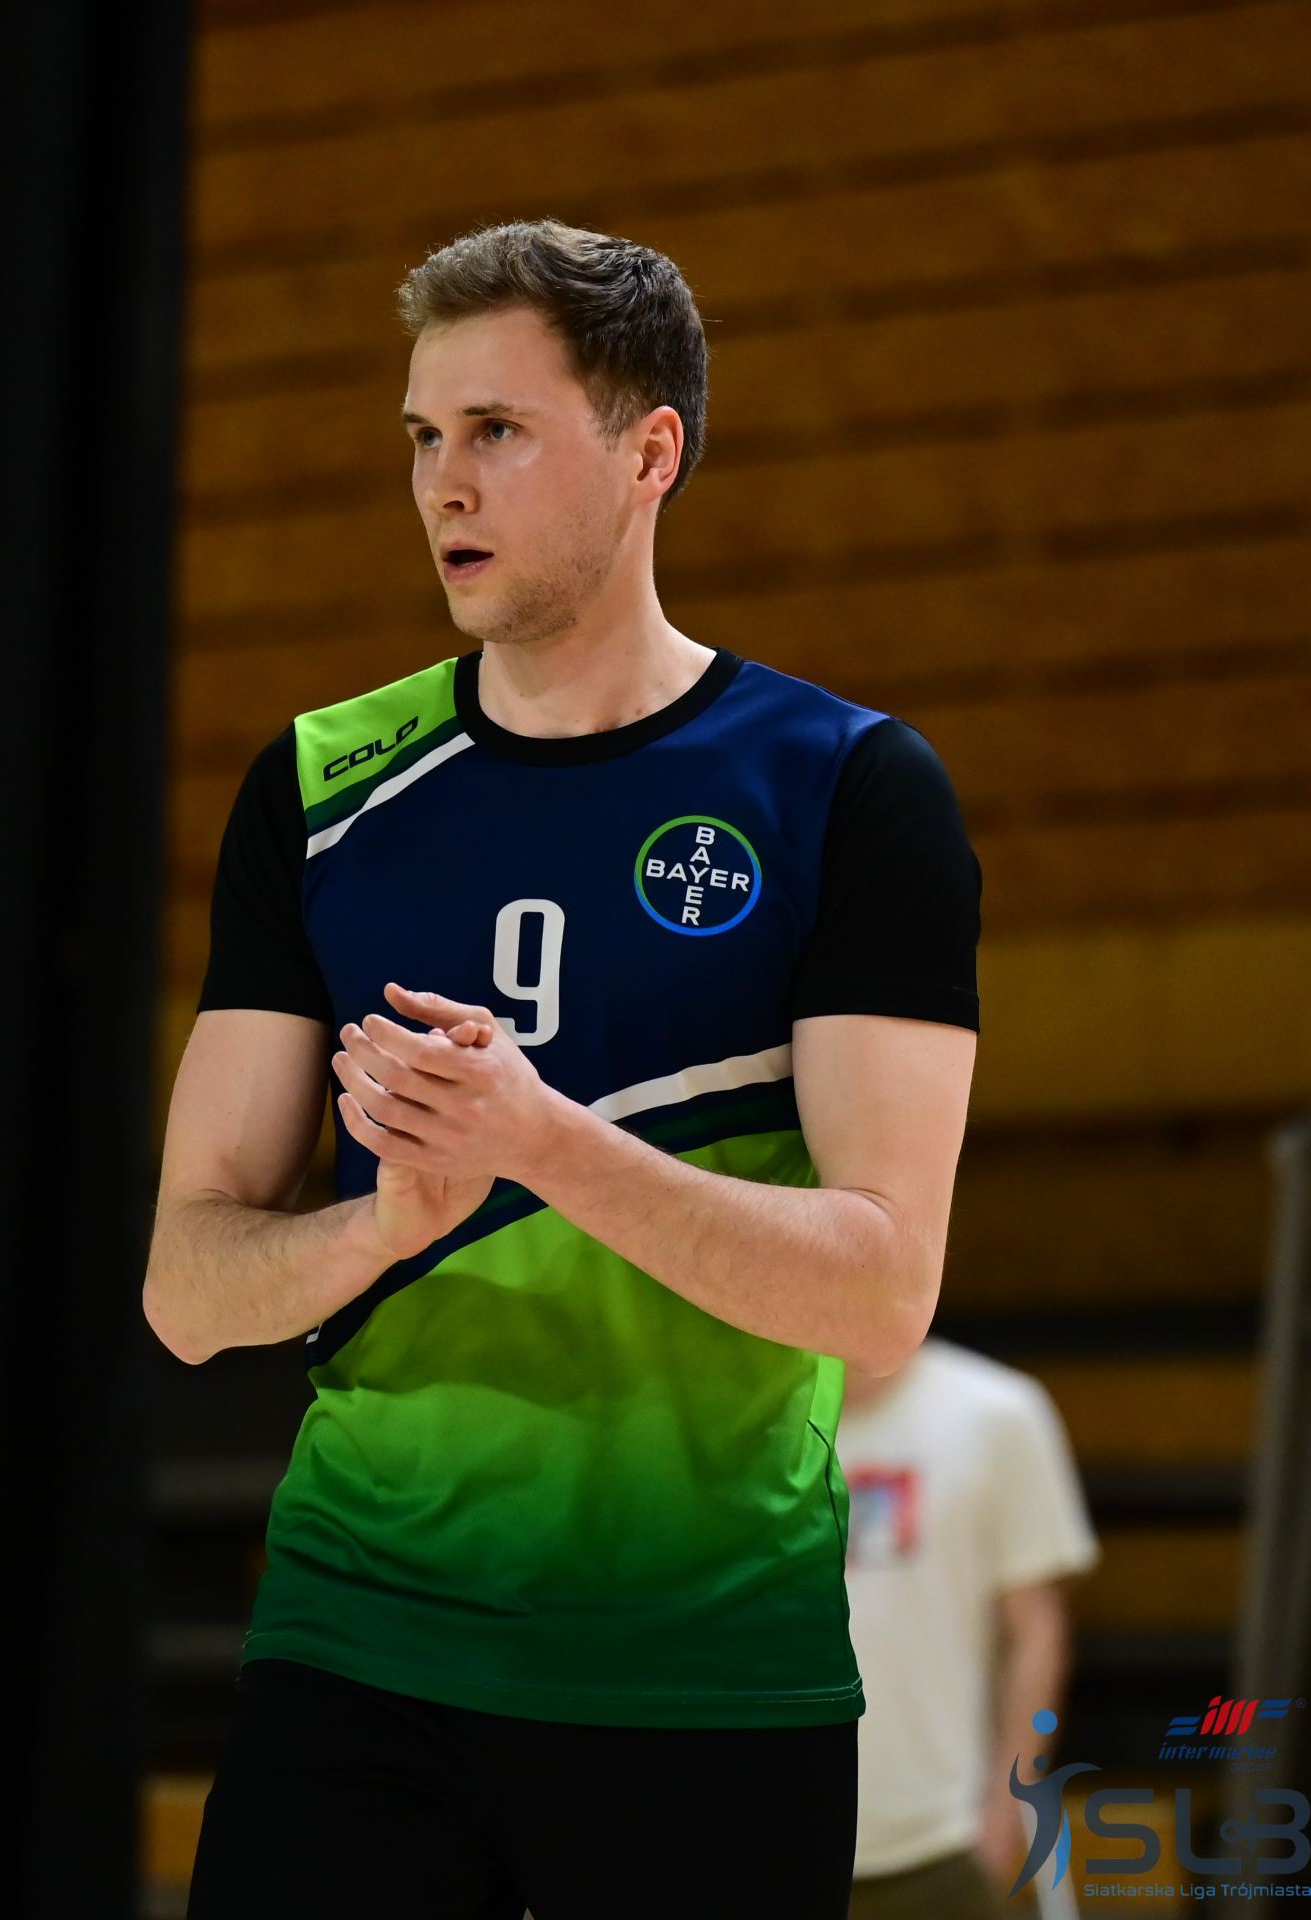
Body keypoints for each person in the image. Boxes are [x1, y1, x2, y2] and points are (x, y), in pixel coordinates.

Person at [143, 217, 983, 1920]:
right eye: (421, 435)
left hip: (706, 1675)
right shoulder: (319, 788)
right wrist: (384, 1224)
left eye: (497, 431)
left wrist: (540, 1141)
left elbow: (882, 1293)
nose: (442, 483)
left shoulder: (843, 788)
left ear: (647, 452)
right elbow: (185, 1290)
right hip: (358, 1653)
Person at [835, 1337, 1101, 1920]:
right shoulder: (740, 1425)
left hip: (946, 1842)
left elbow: (1036, 1631)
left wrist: (1004, 1817)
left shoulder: (996, 1413)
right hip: (776, 1842)